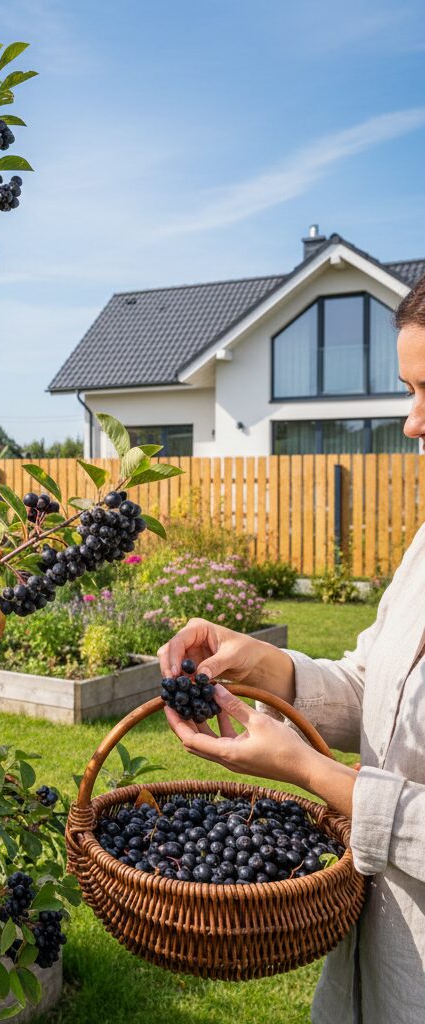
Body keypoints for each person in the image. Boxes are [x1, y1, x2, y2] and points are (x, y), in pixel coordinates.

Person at [157, 278, 425, 1024]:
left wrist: (312, 774)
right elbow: (383, 686)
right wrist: (269, 668)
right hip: (372, 961)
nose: (411, 422)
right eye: (409, 389)